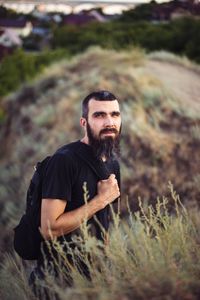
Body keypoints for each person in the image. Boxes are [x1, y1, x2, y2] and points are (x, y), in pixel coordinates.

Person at [29, 90, 121, 297]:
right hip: (58, 281)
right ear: (84, 122)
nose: (109, 122)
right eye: (99, 115)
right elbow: (49, 229)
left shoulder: (112, 162)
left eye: (114, 114)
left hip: (94, 278)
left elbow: (104, 221)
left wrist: (105, 266)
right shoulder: (64, 161)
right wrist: (101, 199)